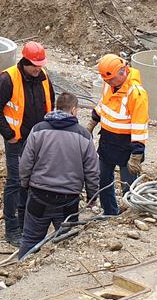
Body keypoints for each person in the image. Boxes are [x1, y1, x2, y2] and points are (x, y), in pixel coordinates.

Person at [0, 41, 55, 246]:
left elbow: (51, 103)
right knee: (15, 182)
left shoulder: (43, 77)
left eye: (40, 64)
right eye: (35, 65)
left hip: (38, 140)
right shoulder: (8, 79)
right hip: (17, 140)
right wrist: (9, 135)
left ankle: (27, 224)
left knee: (32, 182)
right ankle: (12, 229)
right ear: (25, 61)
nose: (38, 68)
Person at [18, 92, 100, 259]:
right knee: (66, 243)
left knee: (30, 239)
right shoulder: (83, 136)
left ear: (56, 107)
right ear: (74, 110)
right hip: (68, 200)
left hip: (39, 196)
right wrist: (92, 197)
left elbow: (25, 162)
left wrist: (25, 184)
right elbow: (92, 170)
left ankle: (20, 277)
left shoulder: (38, 130)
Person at [90, 53, 149, 216]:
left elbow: (140, 125)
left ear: (122, 72)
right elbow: (104, 104)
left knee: (128, 185)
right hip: (108, 141)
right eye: (105, 80)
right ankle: (109, 212)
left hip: (127, 146)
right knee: (103, 179)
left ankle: (130, 215)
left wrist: (137, 153)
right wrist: (93, 121)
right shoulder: (109, 83)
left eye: (110, 79)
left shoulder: (136, 93)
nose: (107, 83)